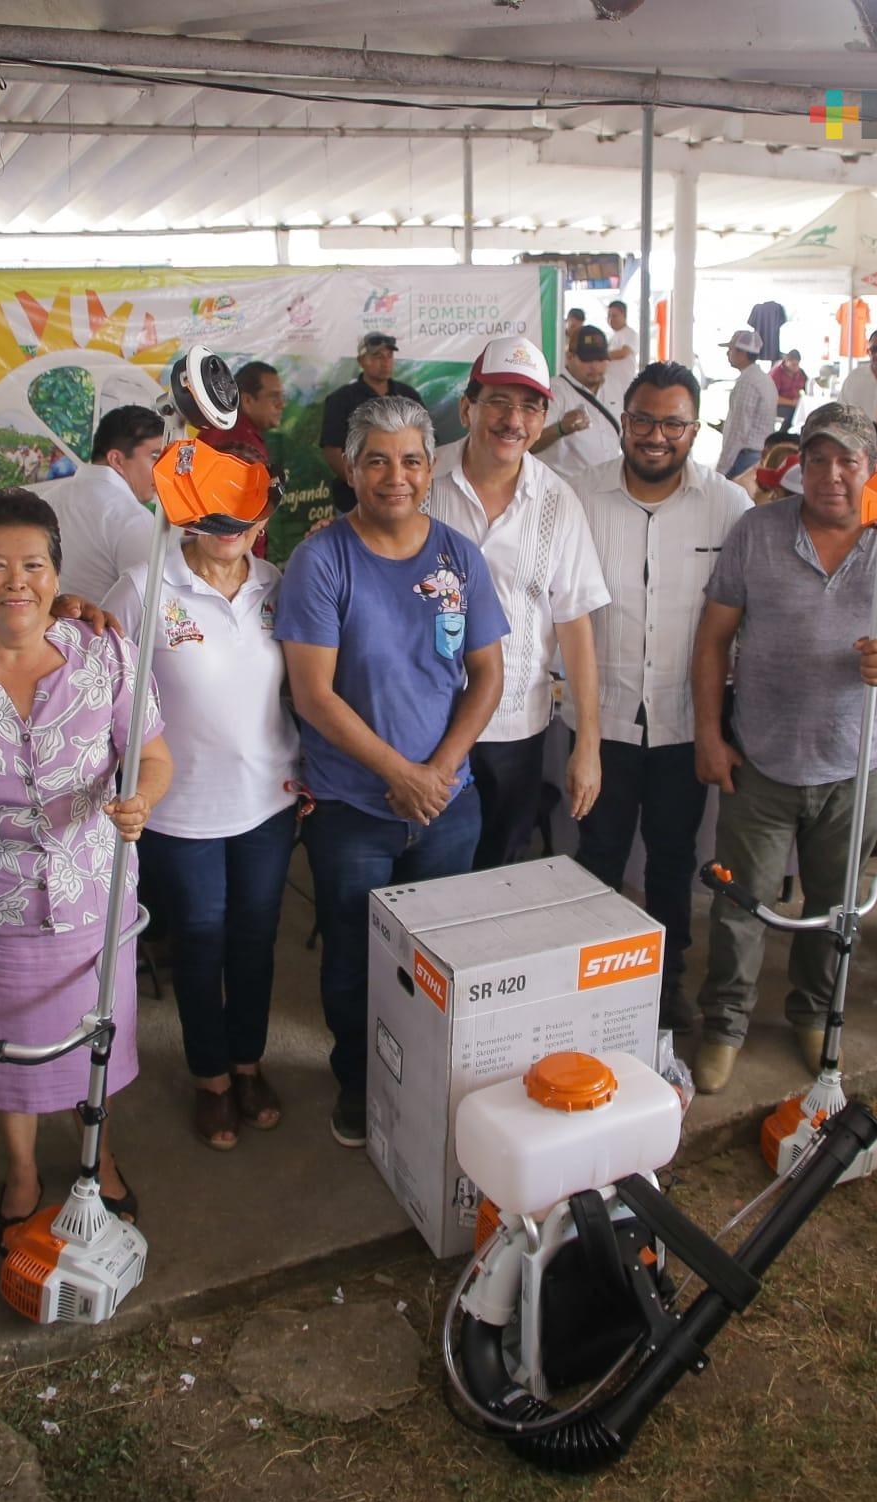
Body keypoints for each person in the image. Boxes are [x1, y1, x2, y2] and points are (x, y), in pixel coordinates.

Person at [0, 489, 170, 1240]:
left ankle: (96, 1155)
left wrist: (139, 798)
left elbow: (151, 755)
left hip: (93, 898)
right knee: (4, 1052)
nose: (16, 581)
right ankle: (21, 1171)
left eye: (33, 565)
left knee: (95, 1040)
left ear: (56, 572)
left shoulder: (104, 652)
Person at [691, 403, 877, 1093]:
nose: (830, 474)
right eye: (816, 459)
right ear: (797, 465)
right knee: (740, 907)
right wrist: (710, 736)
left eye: (846, 460)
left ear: (869, 466)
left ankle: (813, 1013)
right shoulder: (757, 530)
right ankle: (724, 1023)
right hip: (759, 761)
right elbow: (713, 637)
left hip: (854, 768)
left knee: (832, 908)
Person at [275, 395, 508, 1147]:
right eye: (376, 460)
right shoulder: (321, 560)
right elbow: (312, 694)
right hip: (352, 809)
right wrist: (397, 774)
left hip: (447, 802)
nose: (394, 476)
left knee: (442, 957)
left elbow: (486, 676)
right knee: (353, 955)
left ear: (430, 466)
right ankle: (357, 1080)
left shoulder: (457, 556)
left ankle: (432, 1076)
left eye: (410, 459)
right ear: (351, 467)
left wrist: (437, 771)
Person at [104, 493, 298, 1152]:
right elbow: (98, 671)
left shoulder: (277, 585)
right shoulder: (146, 583)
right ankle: (210, 1077)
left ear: (263, 522)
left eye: (244, 516)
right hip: (179, 805)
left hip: (268, 798)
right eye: (214, 514)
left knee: (254, 938)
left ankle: (247, 1064)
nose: (229, 530)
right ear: (189, 514)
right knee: (199, 939)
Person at [568, 363, 752, 1029]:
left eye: (672, 423)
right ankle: (592, 990)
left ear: (694, 430)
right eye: (642, 419)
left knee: (673, 863)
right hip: (601, 718)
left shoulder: (728, 507)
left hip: (686, 723)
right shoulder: (578, 497)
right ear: (623, 419)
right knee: (598, 859)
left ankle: (665, 984)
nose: (654, 436)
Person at [428, 336, 608, 868]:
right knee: (428, 873)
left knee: (499, 868)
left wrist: (588, 744)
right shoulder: (419, 481)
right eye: (499, 402)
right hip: (424, 722)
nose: (515, 420)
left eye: (531, 406)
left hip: (515, 728)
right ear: (468, 408)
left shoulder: (558, 502)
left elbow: (575, 627)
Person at [41, 405, 165, 603]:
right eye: (155, 457)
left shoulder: (47, 500)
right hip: (103, 632)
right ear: (116, 459)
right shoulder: (133, 518)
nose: (163, 470)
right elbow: (151, 608)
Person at [318, 333, 423, 514]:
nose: (385, 361)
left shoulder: (409, 396)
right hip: (352, 502)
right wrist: (362, 483)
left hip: (402, 499)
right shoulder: (341, 399)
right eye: (377, 356)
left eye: (389, 356)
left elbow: (427, 444)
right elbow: (332, 451)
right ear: (361, 361)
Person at [535, 325, 624, 478]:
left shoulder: (615, 387)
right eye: (587, 360)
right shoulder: (553, 391)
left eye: (601, 359)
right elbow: (530, 443)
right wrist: (560, 429)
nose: (595, 366)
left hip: (608, 485)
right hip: (567, 488)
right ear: (570, 357)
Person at [716, 330, 777, 478]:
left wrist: (721, 469)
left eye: (730, 350)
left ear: (742, 353)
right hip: (756, 453)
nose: (727, 354)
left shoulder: (747, 382)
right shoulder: (763, 378)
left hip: (744, 456)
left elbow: (739, 430)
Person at [196, 360, 284, 462]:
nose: (281, 404)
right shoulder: (242, 444)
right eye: (273, 397)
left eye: (282, 396)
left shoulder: (215, 427)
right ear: (247, 401)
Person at [771, 349, 807, 432]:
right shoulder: (776, 373)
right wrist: (792, 402)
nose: (795, 367)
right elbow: (772, 398)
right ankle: (782, 436)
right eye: (793, 364)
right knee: (792, 413)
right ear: (787, 361)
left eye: (797, 364)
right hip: (778, 405)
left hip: (794, 403)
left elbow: (806, 388)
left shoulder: (800, 373)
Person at [605, 300, 638, 369]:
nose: (611, 320)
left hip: (624, 379)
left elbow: (623, 353)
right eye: (609, 316)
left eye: (614, 316)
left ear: (624, 315)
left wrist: (598, 356)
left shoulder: (630, 333)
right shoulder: (613, 336)